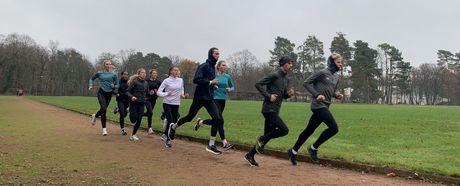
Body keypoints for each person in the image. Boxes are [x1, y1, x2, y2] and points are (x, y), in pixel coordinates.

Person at [287, 53, 343, 165]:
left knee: (309, 130)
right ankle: (313, 148)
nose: (340, 65)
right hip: (318, 105)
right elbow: (306, 83)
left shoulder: (336, 77)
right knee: (334, 128)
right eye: (338, 62)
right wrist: (317, 95)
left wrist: (336, 95)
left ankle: (293, 151)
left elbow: (331, 91)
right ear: (331, 62)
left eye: (341, 63)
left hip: (326, 105)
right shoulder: (322, 73)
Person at [168, 47, 225, 155]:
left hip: (209, 98)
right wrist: (210, 82)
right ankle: (174, 126)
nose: (218, 56)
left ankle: (211, 144)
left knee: (218, 119)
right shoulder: (203, 66)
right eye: (216, 54)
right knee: (189, 117)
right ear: (210, 54)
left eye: (219, 54)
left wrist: (213, 86)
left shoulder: (213, 67)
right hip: (199, 97)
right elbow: (196, 80)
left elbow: (209, 82)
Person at [244, 56, 295, 166]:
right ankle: (260, 138)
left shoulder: (286, 79)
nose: (291, 65)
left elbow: (282, 95)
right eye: (290, 63)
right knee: (284, 130)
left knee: (267, 137)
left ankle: (250, 155)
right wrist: (268, 96)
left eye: (291, 63)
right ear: (283, 64)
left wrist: (288, 95)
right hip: (268, 109)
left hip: (276, 109)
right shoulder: (274, 75)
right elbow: (258, 84)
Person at [195, 60, 235, 150]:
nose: (225, 67)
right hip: (214, 99)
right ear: (219, 66)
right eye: (223, 65)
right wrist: (212, 86)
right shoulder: (214, 75)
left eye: (226, 65)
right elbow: (208, 83)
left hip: (223, 100)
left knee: (216, 120)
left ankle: (201, 122)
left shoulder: (227, 76)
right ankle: (224, 142)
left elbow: (233, 86)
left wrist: (230, 89)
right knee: (220, 120)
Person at [157, 66, 185, 147]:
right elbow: (158, 92)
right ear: (171, 72)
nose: (177, 72)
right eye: (175, 70)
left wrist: (182, 94)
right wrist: (166, 94)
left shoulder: (180, 80)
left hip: (176, 103)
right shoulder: (166, 81)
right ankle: (168, 141)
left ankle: (165, 134)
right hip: (167, 103)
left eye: (178, 70)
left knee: (174, 121)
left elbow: (182, 88)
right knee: (170, 121)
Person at [89, 59, 119, 136]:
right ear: (104, 65)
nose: (108, 66)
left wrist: (114, 86)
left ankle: (95, 116)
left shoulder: (114, 74)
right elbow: (91, 79)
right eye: (107, 64)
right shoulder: (99, 73)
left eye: (109, 64)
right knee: (104, 109)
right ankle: (104, 130)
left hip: (109, 94)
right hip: (101, 92)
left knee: (103, 108)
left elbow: (117, 85)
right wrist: (90, 85)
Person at [126, 68, 148, 141]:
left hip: (142, 104)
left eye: (145, 73)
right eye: (142, 72)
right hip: (134, 103)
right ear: (139, 74)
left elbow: (147, 93)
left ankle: (133, 134)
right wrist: (132, 97)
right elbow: (127, 92)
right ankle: (129, 111)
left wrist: (150, 94)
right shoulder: (134, 82)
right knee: (133, 120)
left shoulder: (146, 83)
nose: (144, 74)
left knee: (139, 119)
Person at [144, 69, 162, 134]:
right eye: (154, 73)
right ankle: (150, 128)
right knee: (150, 112)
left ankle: (138, 115)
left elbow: (161, 90)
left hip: (153, 99)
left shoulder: (158, 82)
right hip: (146, 99)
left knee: (148, 113)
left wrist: (157, 92)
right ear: (150, 74)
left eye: (156, 73)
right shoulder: (146, 81)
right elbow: (143, 89)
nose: (155, 75)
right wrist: (148, 92)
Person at [114, 71, 130, 135]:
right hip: (120, 99)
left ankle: (117, 109)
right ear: (121, 75)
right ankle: (122, 130)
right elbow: (113, 89)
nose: (126, 76)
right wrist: (116, 93)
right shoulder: (118, 82)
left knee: (125, 114)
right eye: (124, 74)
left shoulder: (129, 83)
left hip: (127, 100)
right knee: (122, 114)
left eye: (127, 74)